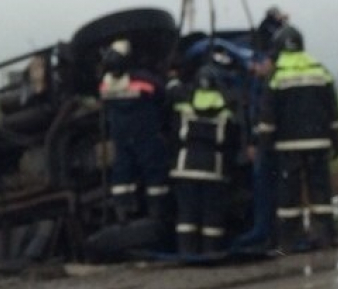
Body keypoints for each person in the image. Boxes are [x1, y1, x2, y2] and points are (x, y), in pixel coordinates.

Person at [256, 25, 338, 252]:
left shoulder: (277, 76)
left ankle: (290, 240)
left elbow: (268, 116)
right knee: (321, 191)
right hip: (319, 141)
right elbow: (333, 110)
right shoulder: (319, 70)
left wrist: (264, 145)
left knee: (289, 195)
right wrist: (337, 138)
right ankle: (325, 236)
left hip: (288, 145)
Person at [170, 63, 238, 255]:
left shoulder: (183, 103)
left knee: (186, 214)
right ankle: (211, 252)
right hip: (213, 168)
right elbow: (231, 143)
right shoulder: (226, 109)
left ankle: (186, 252)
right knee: (212, 215)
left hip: (185, 166)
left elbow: (172, 132)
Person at [99, 39, 170, 222]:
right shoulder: (142, 79)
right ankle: (157, 212)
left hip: (121, 136)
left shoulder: (104, 85)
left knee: (122, 172)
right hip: (144, 133)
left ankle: (123, 212)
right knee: (154, 172)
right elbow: (161, 94)